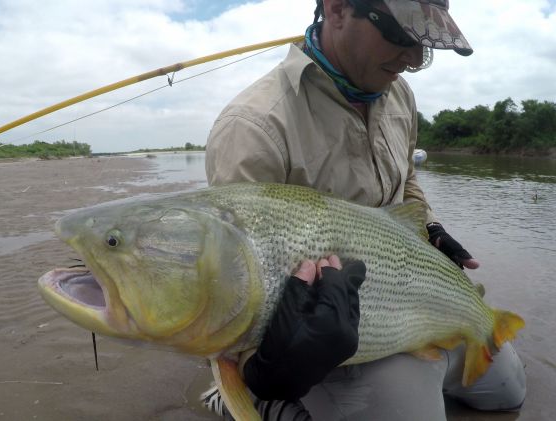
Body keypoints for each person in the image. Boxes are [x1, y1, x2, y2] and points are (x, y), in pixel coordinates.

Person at [202, 0, 526, 419]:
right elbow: (232, 282)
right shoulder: (254, 126)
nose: (412, 59)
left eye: (424, 44)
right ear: (337, 10)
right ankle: (246, 398)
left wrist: (431, 227)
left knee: (507, 393)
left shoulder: (399, 94)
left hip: (404, 289)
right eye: (402, 36)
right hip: (328, 330)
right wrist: (260, 368)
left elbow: (406, 178)